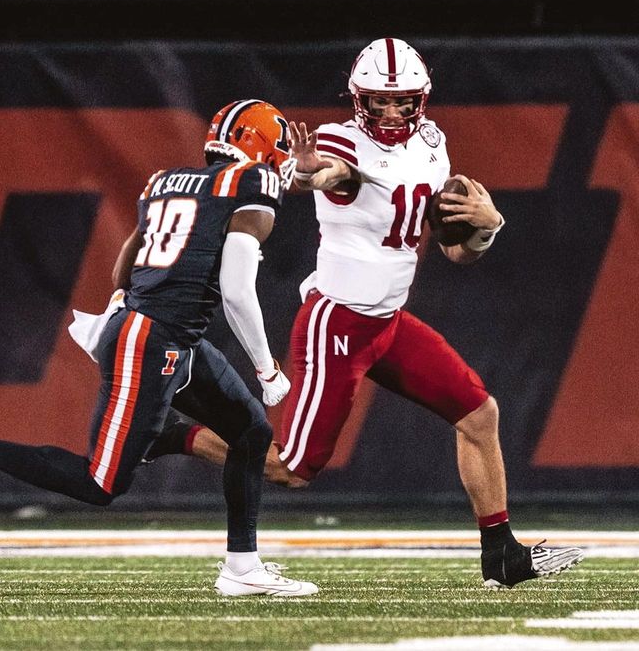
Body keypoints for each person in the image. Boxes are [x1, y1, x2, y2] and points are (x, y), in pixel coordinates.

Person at [145, 39, 584, 591]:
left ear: (421, 100)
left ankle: (501, 554)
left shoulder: (432, 142)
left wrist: (487, 224)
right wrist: (308, 174)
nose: (394, 113)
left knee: (480, 415)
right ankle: (163, 433)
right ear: (359, 99)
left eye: (403, 102)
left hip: (388, 323)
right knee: (291, 469)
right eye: (380, 102)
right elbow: (328, 175)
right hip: (338, 323)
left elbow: (455, 251)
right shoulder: (338, 140)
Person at [0, 99, 318, 598]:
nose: (280, 163)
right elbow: (236, 288)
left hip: (167, 335)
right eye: (277, 151)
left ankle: (241, 567)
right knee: (100, 484)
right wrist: (266, 369)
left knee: (250, 432)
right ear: (258, 149)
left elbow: (120, 274)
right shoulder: (251, 185)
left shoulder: (165, 182)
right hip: (150, 338)